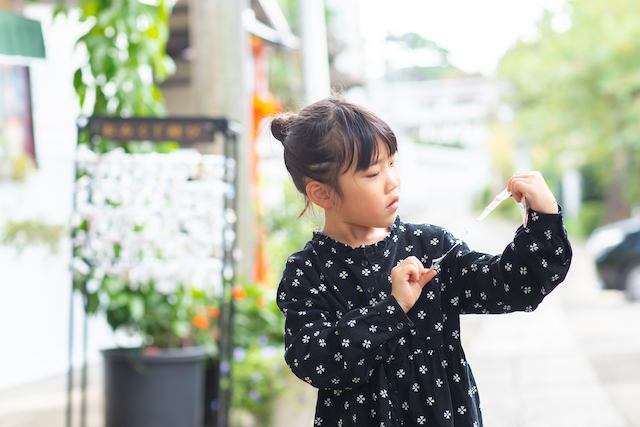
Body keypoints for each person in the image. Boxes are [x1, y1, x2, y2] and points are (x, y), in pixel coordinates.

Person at [271, 96, 572, 427]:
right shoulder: (308, 272)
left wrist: (544, 218)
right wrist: (393, 308)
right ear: (322, 194)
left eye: (392, 163)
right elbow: (316, 362)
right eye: (373, 173)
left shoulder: (430, 246)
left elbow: (514, 286)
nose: (393, 180)